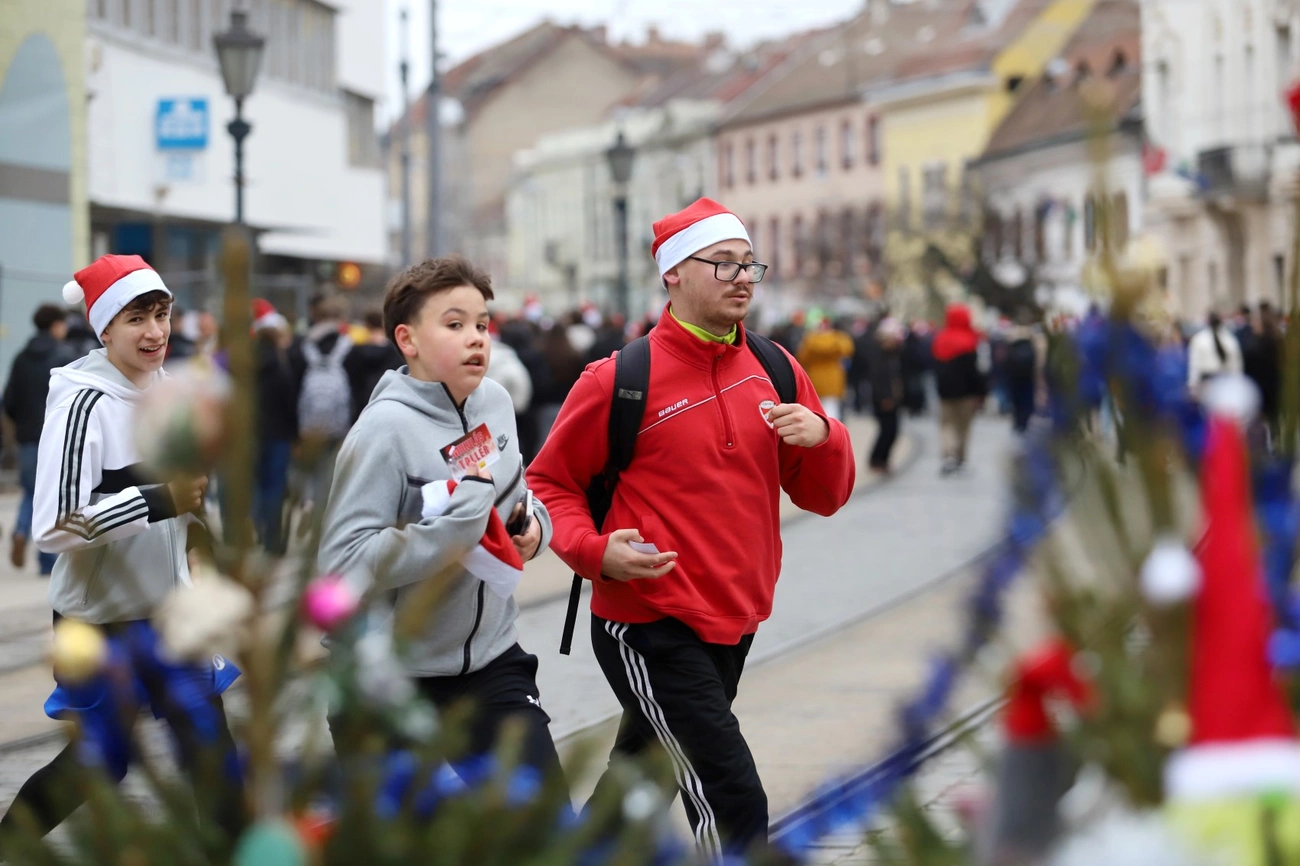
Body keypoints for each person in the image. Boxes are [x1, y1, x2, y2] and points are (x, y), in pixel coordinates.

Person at [528, 198, 856, 857]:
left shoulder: (776, 368)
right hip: (646, 621)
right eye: (723, 263)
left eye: (748, 264)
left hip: (734, 614)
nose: (742, 277)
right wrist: (594, 552)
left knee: (636, 788)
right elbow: (548, 484)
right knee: (732, 795)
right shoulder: (618, 380)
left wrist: (824, 435)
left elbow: (825, 495)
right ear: (673, 273)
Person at [0, 255, 243, 850]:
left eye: (162, 315)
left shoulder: (170, 394)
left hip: (170, 615)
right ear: (105, 327)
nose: (156, 331)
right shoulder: (81, 402)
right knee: (99, 764)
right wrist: (156, 499)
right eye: (138, 318)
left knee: (213, 754)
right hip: (101, 621)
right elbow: (55, 524)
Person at [317, 255, 565, 783]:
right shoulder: (381, 432)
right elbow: (342, 565)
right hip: (391, 679)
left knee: (541, 829)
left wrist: (535, 530)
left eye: (482, 324)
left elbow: (523, 495)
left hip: (493, 660)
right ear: (408, 340)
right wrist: (455, 530)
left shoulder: (495, 404)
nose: (476, 338)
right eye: (454, 325)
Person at [4, 304, 76, 574]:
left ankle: (21, 531)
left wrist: (22, 424)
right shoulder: (65, 355)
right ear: (56, 325)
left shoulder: (20, 358)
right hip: (55, 438)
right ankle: (47, 561)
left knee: (30, 491)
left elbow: (8, 401)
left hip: (26, 439)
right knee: (52, 497)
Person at [251, 299, 299, 555]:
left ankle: (257, 529)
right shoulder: (281, 367)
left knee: (257, 486)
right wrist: (295, 436)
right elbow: (290, 403)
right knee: (275, 487)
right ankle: (273, 540)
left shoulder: (247, 366)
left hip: (252, 436)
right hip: (278, 436)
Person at [932, 303, 988, 476]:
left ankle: (948, 455)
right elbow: (977, 371)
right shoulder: (971, 341)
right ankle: (960, 458)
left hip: (945, 392)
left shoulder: (940, 339)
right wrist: (981, 393)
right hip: (967, 393)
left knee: (946, 424)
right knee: (963, 427)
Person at [796, 313, 855, 420]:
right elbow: (848, 350)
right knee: (832, 409)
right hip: (833, 379)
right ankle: (831, 431)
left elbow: (802, 358)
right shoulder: (839, 339)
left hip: (815, 378)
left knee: (814, 408)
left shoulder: (810, 340)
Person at [867, 317, 906, 473]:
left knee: (892, 430)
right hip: (884, 399)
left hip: (893, 398)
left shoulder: (894, 354)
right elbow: (877, 378)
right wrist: (884, 397)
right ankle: (877, 459)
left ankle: (882, 459)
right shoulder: (879, 354)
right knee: (887, 430)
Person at [1186, 311, 1243, 397]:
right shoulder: (1230, 340)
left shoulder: (1198, 339)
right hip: (1223, 381)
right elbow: (1236, 367)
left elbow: (1194, 365)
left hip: (1212, 382)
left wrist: (1192, 385)